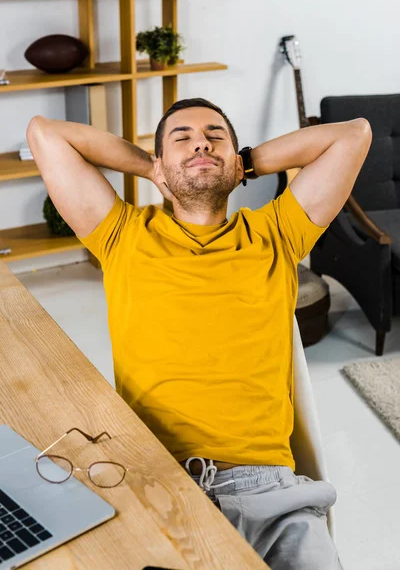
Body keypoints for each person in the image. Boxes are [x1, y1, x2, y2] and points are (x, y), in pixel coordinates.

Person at [26, 98, 371, 569]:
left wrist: (241, 162)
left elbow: (353, 134)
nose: (200, 143)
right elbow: (46, 133)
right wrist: (154, 168)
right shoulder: (123, 235)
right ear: (161, 164)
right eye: (181, 138)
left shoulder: (277, 232)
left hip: (270, 494)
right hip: (158, 482)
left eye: (215, 137)